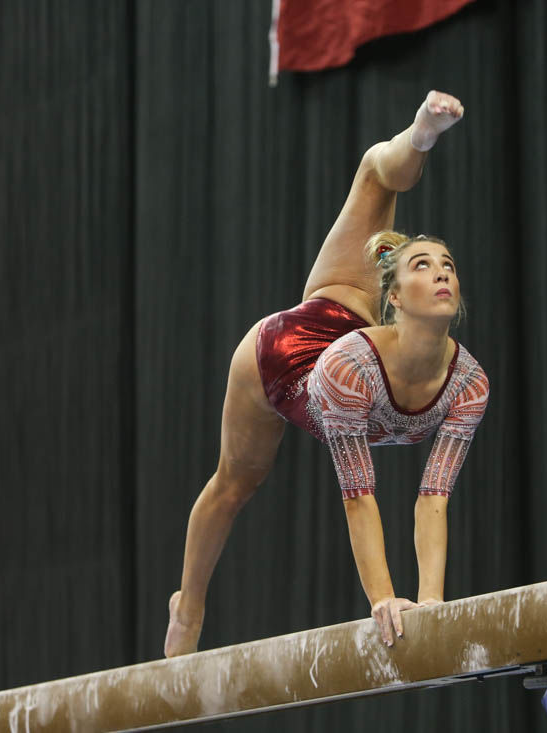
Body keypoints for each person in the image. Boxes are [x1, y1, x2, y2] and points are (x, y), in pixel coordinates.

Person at [165, 91, 489, 657]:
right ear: (395, 293)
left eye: (449, 266)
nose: (442, 274)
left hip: (361, 328)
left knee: (380, 183)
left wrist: (433, 603)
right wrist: (385, 598)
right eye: (423, 264)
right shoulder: (349, 369)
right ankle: (188, 604)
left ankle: (416, 141)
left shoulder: (468, 382)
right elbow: (359, 496)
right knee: (236, 482)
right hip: (286, 353)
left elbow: (433, 496)